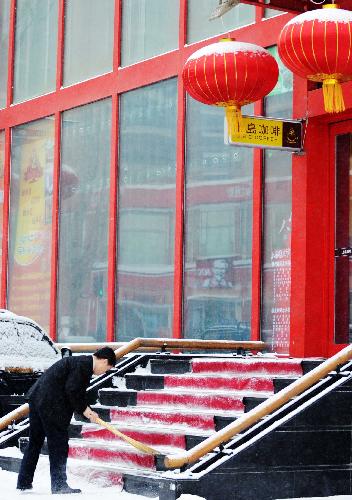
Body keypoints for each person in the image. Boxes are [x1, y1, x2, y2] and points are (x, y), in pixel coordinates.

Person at [17, 346, 116, 495]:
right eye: (107, 369)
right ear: (104, 361)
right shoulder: (84, 365)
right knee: (59, 444)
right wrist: (86, 410)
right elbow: (73, 389)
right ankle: (59, 485)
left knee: (35, 442)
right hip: (51, 404)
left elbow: (73, 390)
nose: (104, 372)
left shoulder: (79, 362)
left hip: (37, 399)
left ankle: (23, 482)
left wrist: (85, 409)